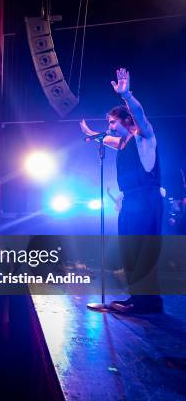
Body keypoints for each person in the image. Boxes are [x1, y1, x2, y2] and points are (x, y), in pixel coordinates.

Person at [80, 68, 163, 313]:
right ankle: (138, 298)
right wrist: (92, 134)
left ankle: (149, 302)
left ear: (127, 121)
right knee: (129, 250)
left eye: (113, 122)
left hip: (146, 201)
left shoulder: (144, 137)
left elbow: (140, 114)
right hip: (131, 202)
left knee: (142, 250)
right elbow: (106, 139)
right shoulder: (123, 142)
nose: (111, 126)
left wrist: (126, 95)